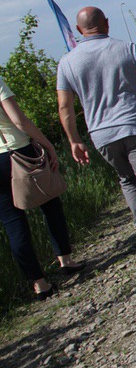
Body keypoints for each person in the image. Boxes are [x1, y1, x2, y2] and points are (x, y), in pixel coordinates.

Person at [56, 7, 136, 263]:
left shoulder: (67, 62)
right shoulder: (129, 49)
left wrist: (74, 140)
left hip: (101, 135)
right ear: (107, 23)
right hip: (135, 126)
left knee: (127, 180)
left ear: (79, 30)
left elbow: (64, 107)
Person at [0, 76, 84, 300]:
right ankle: (65, 260)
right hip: (18, 151)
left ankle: (40, 284)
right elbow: (19, 120)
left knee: (12, 222)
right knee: (50, 202)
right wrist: (47, 144)